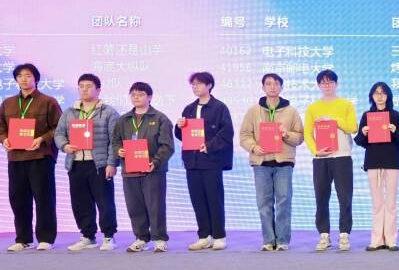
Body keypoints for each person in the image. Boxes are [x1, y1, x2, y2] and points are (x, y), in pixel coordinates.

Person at [0, 63, 61, 252]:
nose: (24, 79)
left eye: (28, 75)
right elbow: (0, 126)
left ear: (36, 79)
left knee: (44, 198)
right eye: (20, 76)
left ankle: (46, 238)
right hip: (16, 157)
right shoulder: (8, 103)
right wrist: (4, 139)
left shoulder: (48, 101)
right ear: (16, 80)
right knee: (18, 199)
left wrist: (42, 139)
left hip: (40, 156)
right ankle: (24, 239)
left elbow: (59, 127)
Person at [54, 72, 119, 252]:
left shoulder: (108, 112)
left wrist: (111, 163)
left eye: (89, 86)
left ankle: (108, 236)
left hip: (99, 164)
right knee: (80, 202)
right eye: (81, 86)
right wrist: (64, 146)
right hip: (76, 163)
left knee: (104, 201)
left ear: (98, 90)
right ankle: (88, 236)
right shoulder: (69, 112)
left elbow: (115, 140)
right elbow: (59, 133)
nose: (84, 89)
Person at [240, 73, 304, 251]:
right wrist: (254, 147)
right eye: (268, 84)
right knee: (264, 203)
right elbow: (244, 135)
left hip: (284, 163)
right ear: (263, 87)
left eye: (276, 84)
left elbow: (300, 137)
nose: (272, 87)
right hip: (261, 163)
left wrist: (286, 134)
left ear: (281, 87)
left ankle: (282, 240)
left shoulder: (291, 111)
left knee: (284, 201)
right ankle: (268, 240)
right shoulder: (253, 111)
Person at [113, 81, 174, 253]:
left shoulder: (160, 118)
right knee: (135, 206)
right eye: (133, 94)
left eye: (140, 94)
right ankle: (141, 238)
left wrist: (155, 162)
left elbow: (167, 146)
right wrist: (119, 151)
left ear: (150, 97)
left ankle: (160, 239)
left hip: (153, 170)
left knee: (155, 205)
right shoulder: (124, 119)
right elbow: (115, 141)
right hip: (130, 170)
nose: (136, 97)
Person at [176, 71, 234, 252]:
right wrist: (178, 126)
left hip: (211, 161)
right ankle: (204, 236)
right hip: (192, 161)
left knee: (214, 199)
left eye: (199, 83)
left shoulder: (219, 107)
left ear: (209, 85)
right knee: (197, 200)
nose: (195, 87)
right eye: (193, 84)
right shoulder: (189, 108)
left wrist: (210, 146)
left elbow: (227, 133)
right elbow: (182, 136)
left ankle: (219, 236)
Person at [303, 69, 357, 252]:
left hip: (342, 157)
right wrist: (315, 151)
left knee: (345, 197)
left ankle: (344, 234)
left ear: (336, 84)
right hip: (321, 159)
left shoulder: (346, 104)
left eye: (330, 82)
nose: (327, 86)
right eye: (323, 83)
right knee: (321, 197)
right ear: (319, 85)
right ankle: (324, 235)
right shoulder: (313, 108)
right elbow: (307, 133)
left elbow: (353, 127)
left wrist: (334, 119)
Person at [354, 81, 399, 251]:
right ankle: (376, 239)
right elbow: (359, 141)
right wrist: (363, 133)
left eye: (383, 93)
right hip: (373, 162)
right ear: (372, 96)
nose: (380, 96)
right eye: (376, 93)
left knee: (390, 203)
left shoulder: (395, 115)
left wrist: (394, 130)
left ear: (388, 96)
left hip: (392, 162)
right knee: (377, 203)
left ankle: (391, 239)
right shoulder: (367, 115)